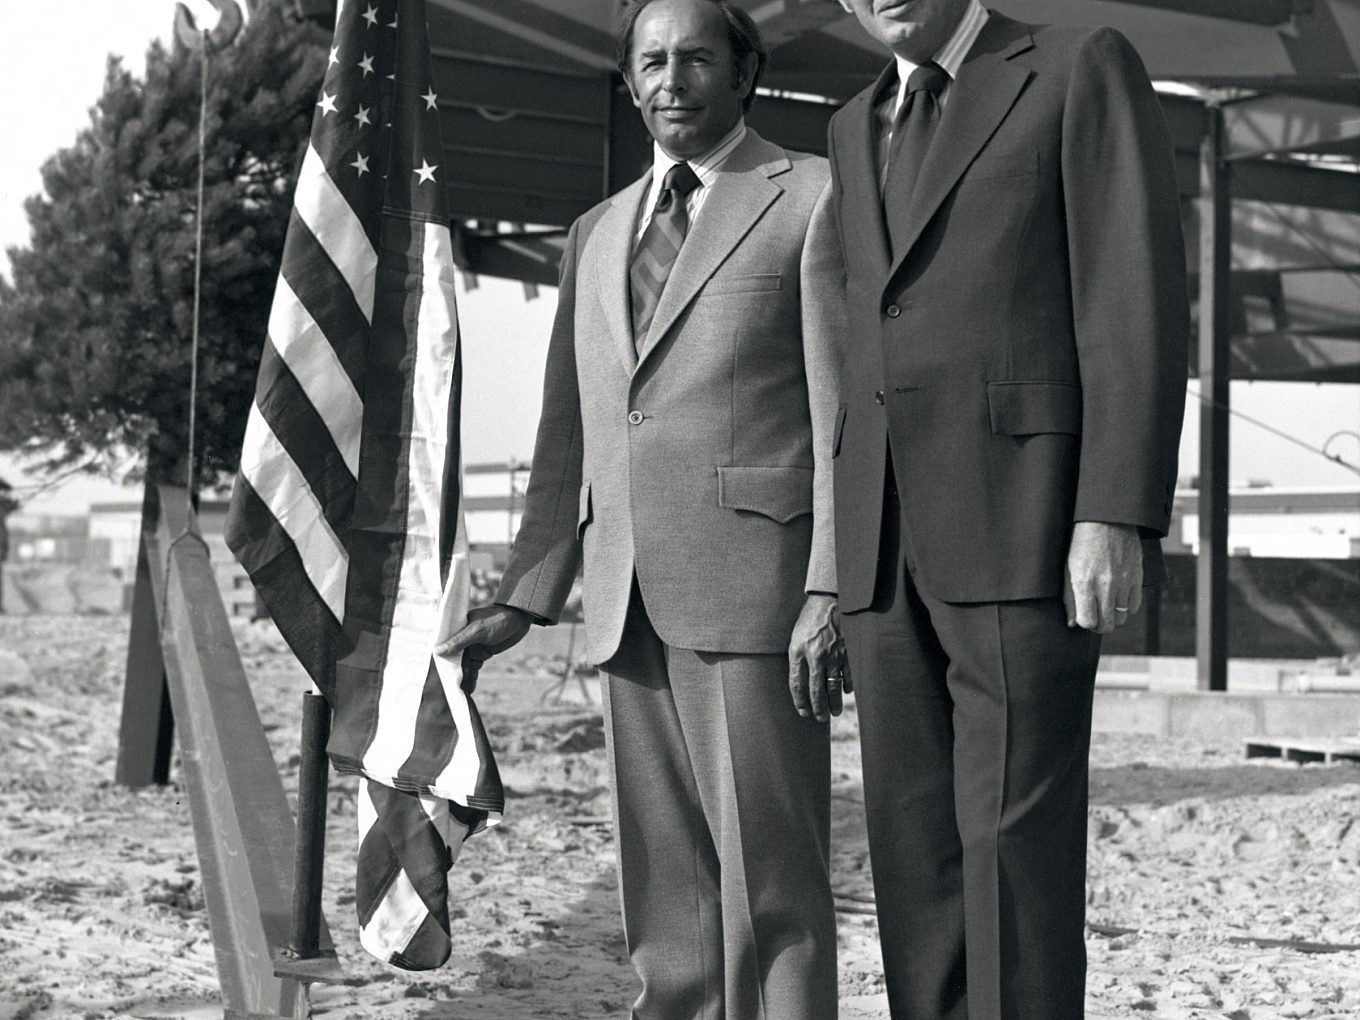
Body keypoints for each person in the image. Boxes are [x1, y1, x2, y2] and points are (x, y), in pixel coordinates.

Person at [438, 1, 845, 1016]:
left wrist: (829, 583)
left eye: (696, 58)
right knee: (666, 900)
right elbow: (566, 433)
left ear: (744, 74)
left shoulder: (812, 197)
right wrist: (526, 597)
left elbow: (843, 413)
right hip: (623, 601)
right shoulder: (598, 231)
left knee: (773, 888)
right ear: (629, 84)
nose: (672, 78)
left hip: (755, 597)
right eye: (652, 62)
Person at [826, 0, 1188, 1017]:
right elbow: (867, 334)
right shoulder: (852, 123)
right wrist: (835, 552)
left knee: (1010, 852)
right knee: (912, 853)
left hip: (1021, 519)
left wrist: (1112, 510)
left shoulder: (1076, 66)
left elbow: (1132, 293)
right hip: (881, 537)